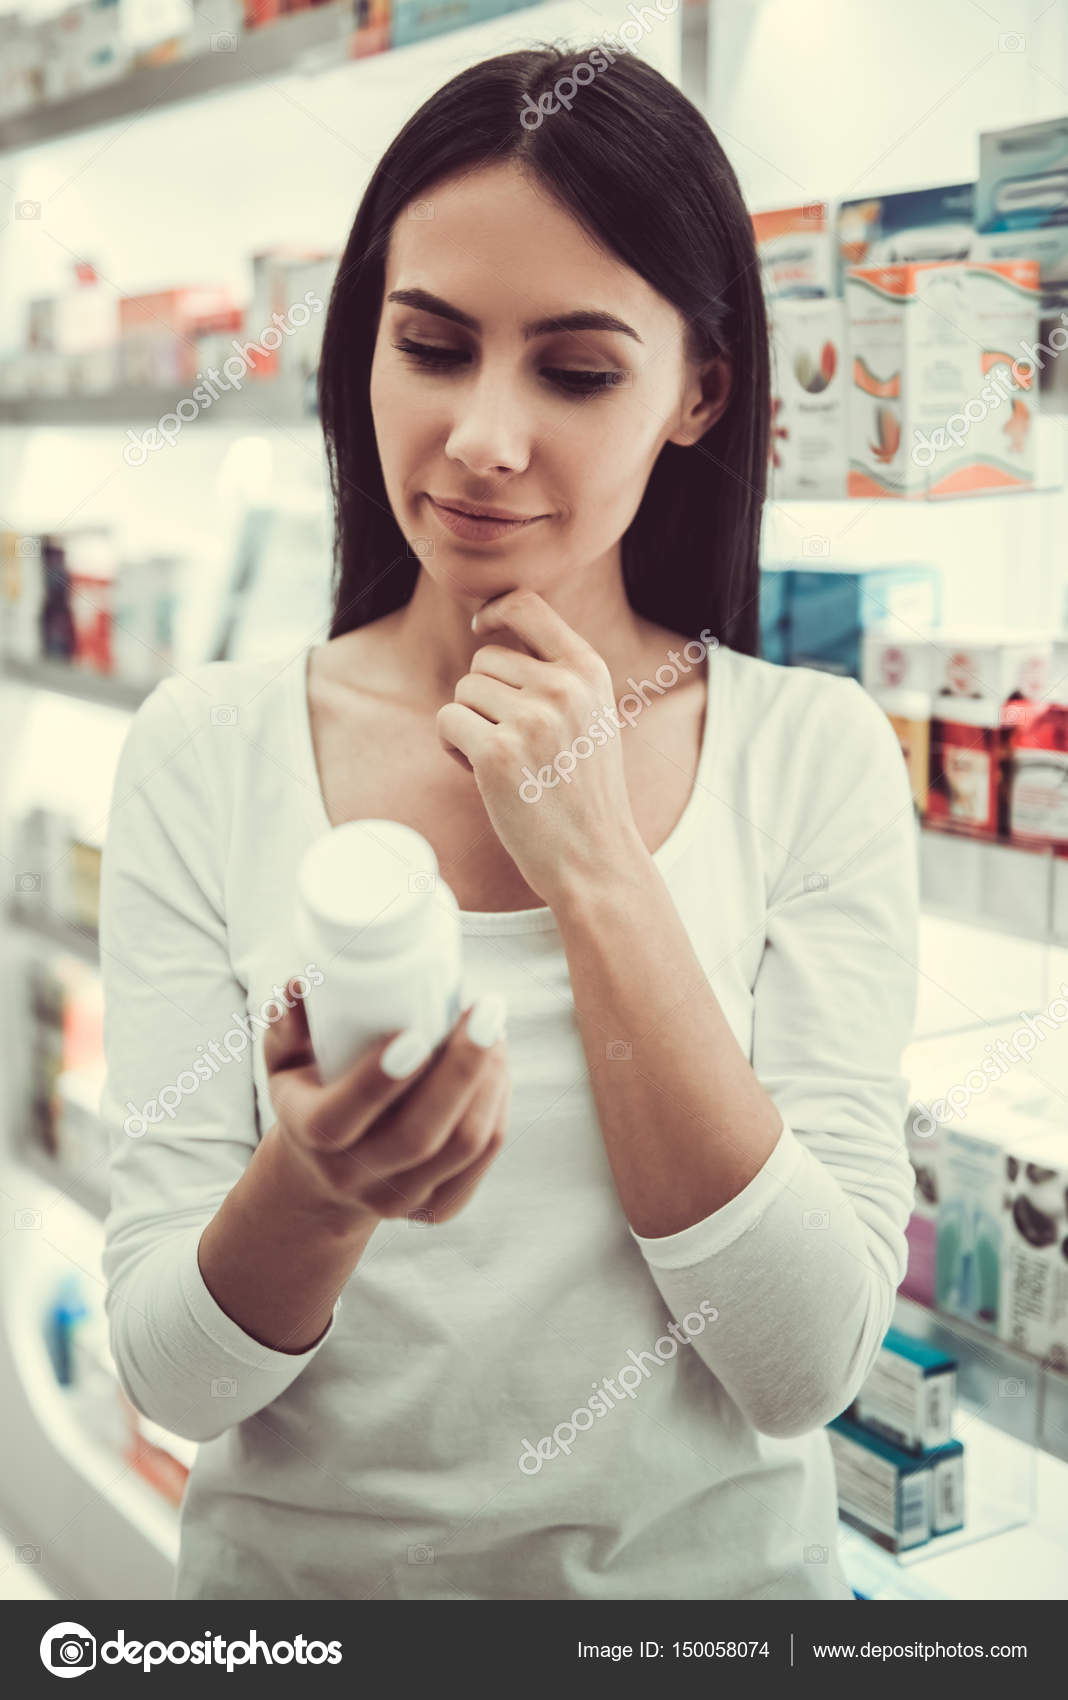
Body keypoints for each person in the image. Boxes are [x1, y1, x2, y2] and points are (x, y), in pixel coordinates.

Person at [100, 44, 918, 1601]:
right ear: (363, 349)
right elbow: (175, 1382)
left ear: (700, 393)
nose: (482, 436)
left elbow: (806, 1364)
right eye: (431, 345)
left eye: (578, 371)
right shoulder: (208, 751)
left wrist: (597, 863)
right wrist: (319, 1186)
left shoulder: (812, 759)